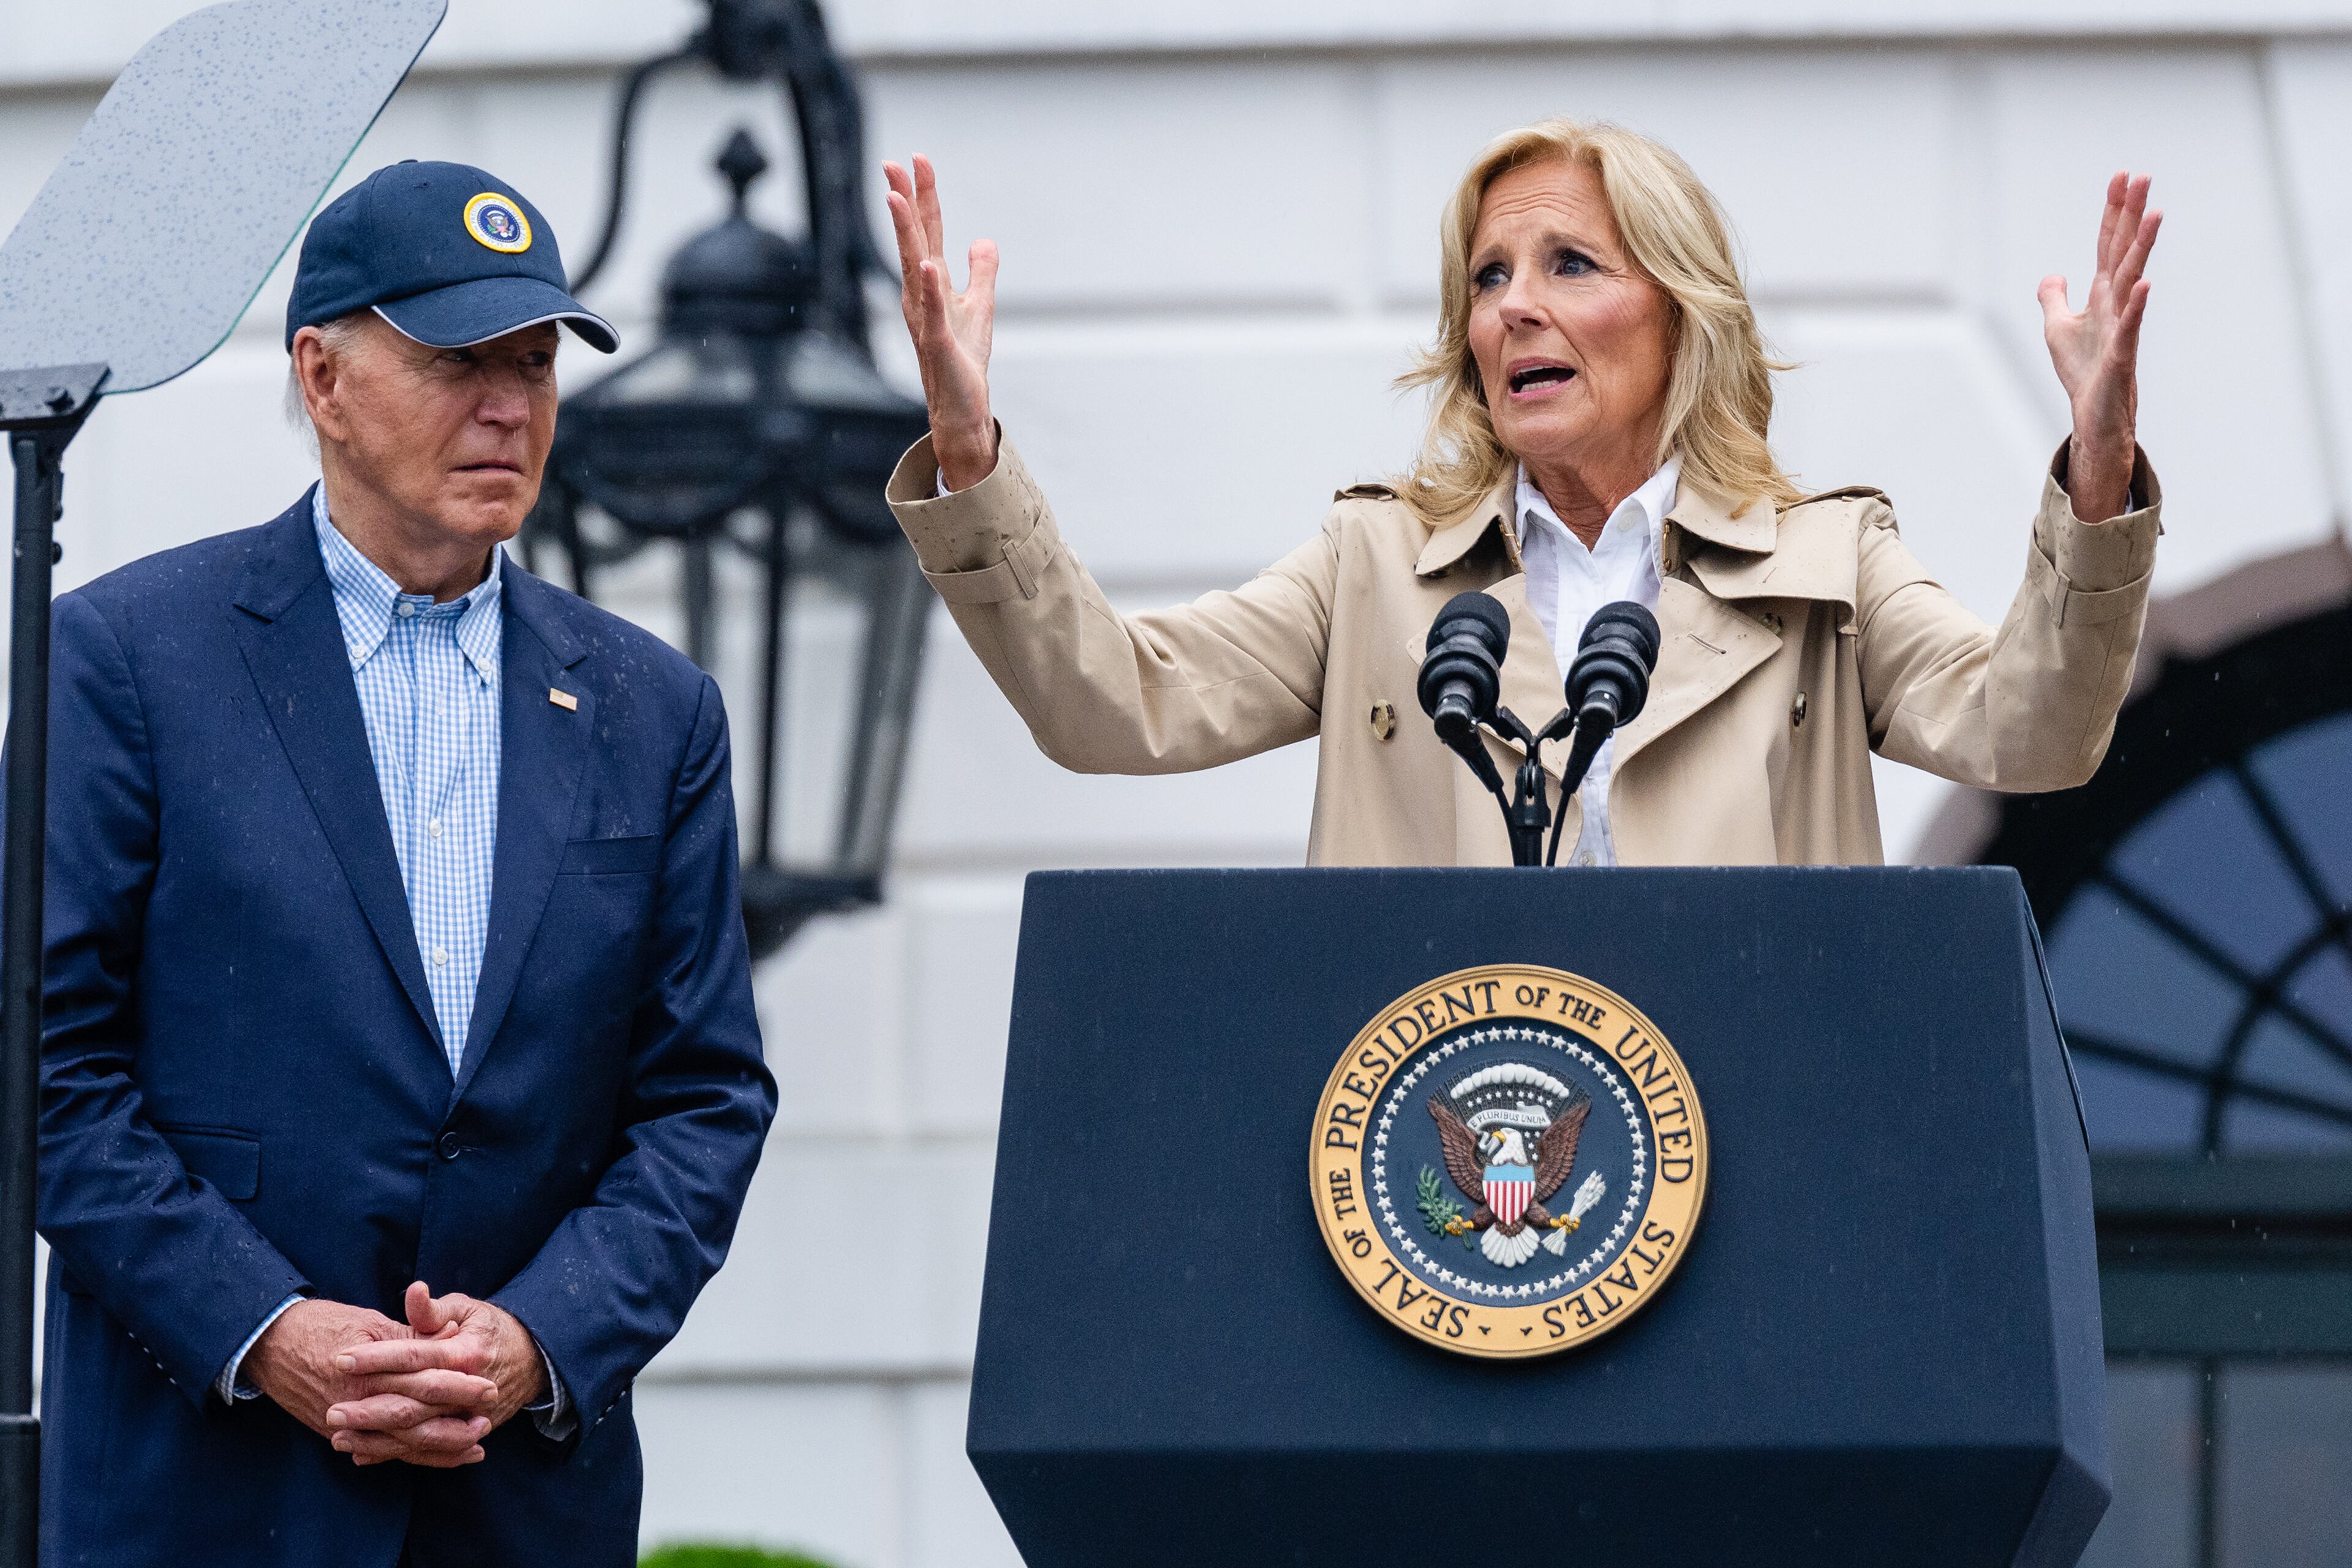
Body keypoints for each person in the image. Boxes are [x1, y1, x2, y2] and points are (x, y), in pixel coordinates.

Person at [36, 160, 777, 1567]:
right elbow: (43, 1071)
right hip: (204, 1497)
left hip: (515, 1504)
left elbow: (704, 1098)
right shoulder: (127, 661)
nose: (510, 403)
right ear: (322, 376)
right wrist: (267, 1328)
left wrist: (537, 1335)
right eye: (456, 360)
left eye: (536, 360)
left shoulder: (653, 707)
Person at [876, 119, 2165, 864]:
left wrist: (2097, 478)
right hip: (1445, 1191)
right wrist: (972, 452)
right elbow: (1114, 706)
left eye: (1569, 263)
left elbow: (2035, 732)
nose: (1516, 307)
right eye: (1488, 277)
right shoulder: (1375, 564)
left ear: (1678, 310)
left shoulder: (1824, 566)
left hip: (1750, 1167)